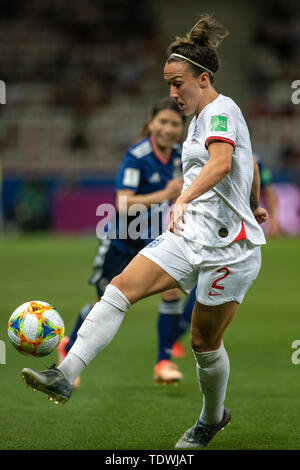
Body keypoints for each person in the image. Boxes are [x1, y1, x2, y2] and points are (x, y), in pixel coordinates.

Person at [21, 14, 268, 449]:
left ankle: (212, 417)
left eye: (178, 84)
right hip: (190, 235)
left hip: (232, 248)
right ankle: (65, 374)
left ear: (203, 78)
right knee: (118, 289)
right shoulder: (199, 121)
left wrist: (183, 198)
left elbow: (224, 163)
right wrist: (254, 202)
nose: (172, 94)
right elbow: (247, 165)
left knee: (202, 343)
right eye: (168, 85)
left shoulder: (222, 110)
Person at [57, 97, 192, 386]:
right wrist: (164, 193)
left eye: (175, 123)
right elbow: (122, 204)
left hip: (153, 237)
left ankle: (163, 362)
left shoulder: (181, 156)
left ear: (182, 127)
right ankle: (68, 351)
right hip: (122, 239)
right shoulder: (137, 156)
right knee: (103, 301)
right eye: (163, 122)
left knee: (170, 292)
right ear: (151, 123)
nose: (168, 129)